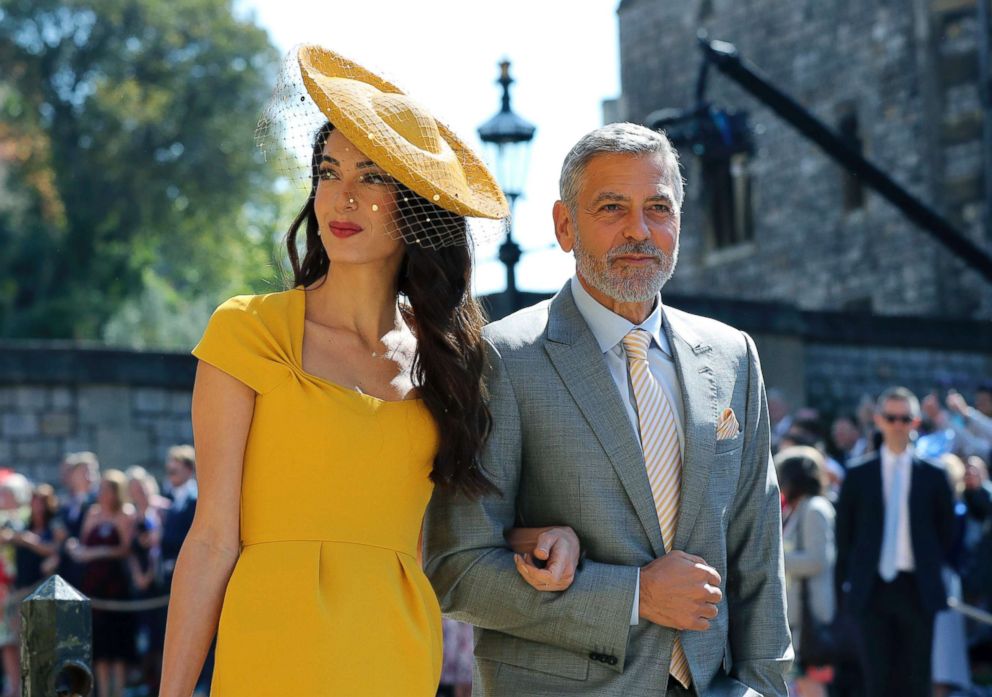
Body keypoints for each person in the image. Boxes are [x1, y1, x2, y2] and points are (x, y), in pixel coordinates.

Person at [159, 45, 577, 697]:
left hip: (395, 651)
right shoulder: (248, 331)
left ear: (416, 205)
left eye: (372, 175)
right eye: (328, 171)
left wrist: (535, 537)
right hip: (273, 649)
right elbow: (211, 538)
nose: (342, 195)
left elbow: (446, 529)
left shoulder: (447, 363)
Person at [425, 122, 792, 696]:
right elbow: (459, 569)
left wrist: (764, 687)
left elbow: (757, 551)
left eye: (659, 208)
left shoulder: (732, 356)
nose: (639, 231)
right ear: (565, 225)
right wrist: (635, 595)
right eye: (612, 208)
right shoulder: (500, 359)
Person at [834, 387, 955, 697]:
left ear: (915, 422)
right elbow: (845, 537)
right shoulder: (859, 474)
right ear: (878, 421)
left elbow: (947, 533)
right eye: (891, 418)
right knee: (877, 679)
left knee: (917, 679)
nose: (898, 425)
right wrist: (844, 588)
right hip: (872, 589)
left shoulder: (934, 475)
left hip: (918, 588)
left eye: (905, 418)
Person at [69, 469, 137, 697]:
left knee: (116, 645)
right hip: (93, 586)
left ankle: (118, 691)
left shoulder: (125, 514)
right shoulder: (93, 513)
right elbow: (82, 543)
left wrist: (98, 552)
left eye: (107, 489)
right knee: (98, 646)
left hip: (115, 586)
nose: (102, 493)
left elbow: (125, 549)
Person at [776, 446, 835, 697]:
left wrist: (774, 559)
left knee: (812, 686)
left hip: (811, 620)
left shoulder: (815, 508)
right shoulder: (795, 509)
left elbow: (817, 560)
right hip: (796, 620)